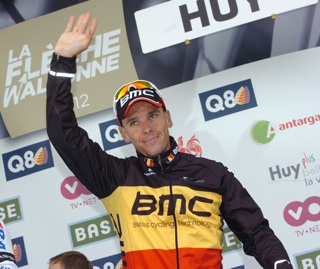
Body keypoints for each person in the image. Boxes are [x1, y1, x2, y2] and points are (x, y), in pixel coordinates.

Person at [46, 13, 293, 269]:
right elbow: (62, 133)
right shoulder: (115, 176)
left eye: (152, 115)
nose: (147, 128)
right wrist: (63, 61)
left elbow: (257, 233)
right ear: (123, 133)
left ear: (168, 117)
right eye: (134, 122)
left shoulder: (213, 174)